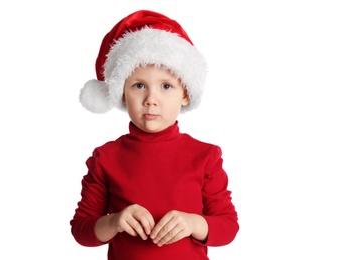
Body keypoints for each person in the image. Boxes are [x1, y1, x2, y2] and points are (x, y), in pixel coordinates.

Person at [70, 9, 239, 260]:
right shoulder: (106, 157)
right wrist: (114, 221)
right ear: (122, 93)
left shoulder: (206, 156)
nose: (151, 100)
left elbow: (228, 227)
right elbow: (81, 229)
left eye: (166, 86)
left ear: (185, 94)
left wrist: (194, 224)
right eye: (139, 86)